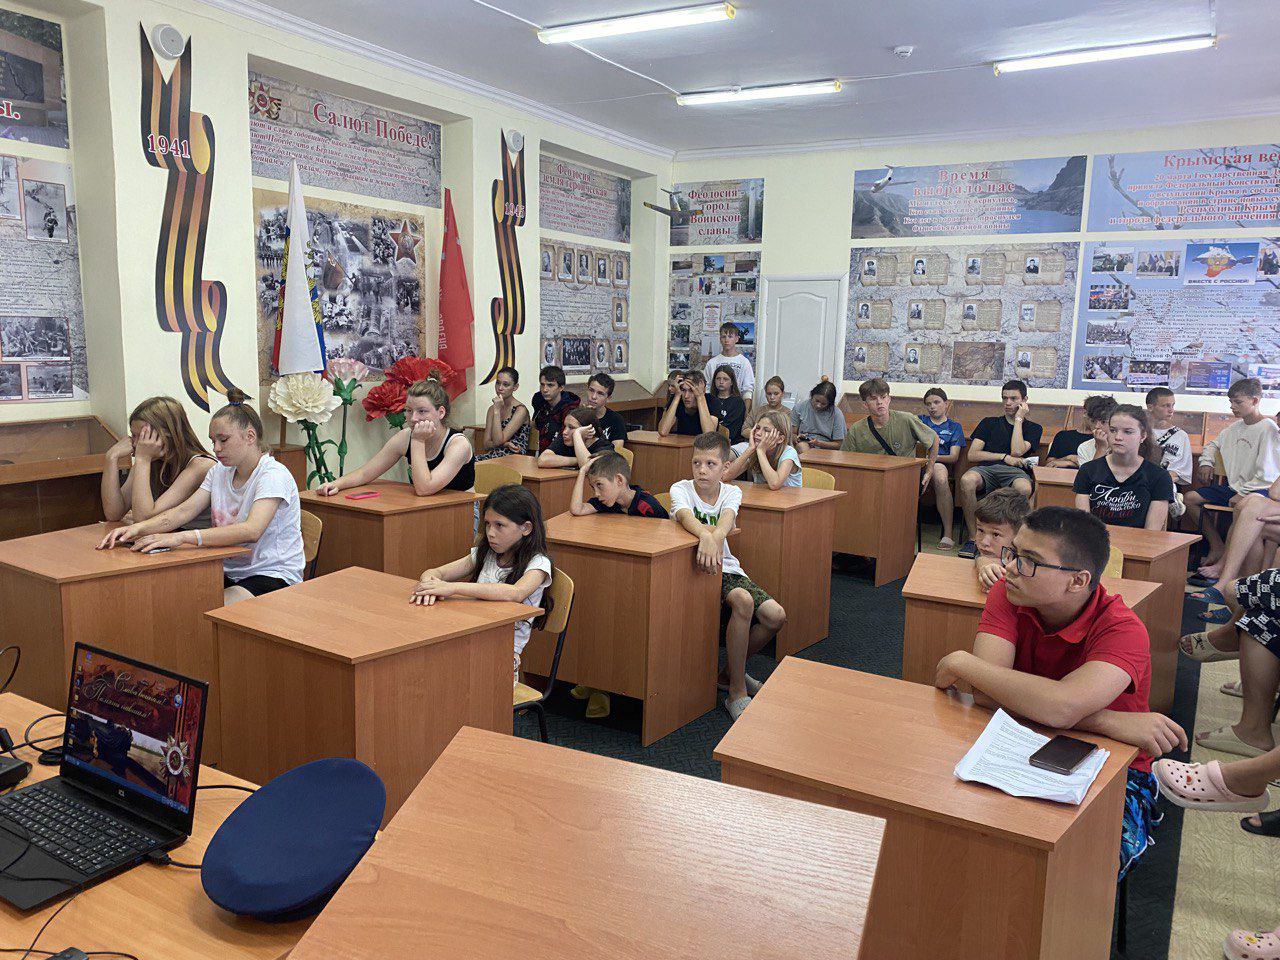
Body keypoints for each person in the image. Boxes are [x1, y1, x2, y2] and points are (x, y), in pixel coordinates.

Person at [933, 506, 1188, 878]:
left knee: (1075, 871)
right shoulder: (1010, 592)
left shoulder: (1123, 628)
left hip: (1111, 766)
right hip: (1020, 739)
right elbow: (986, 693)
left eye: (1029, 561)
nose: (1011, 567)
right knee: (953, 830)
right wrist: (1110, 722)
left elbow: (1059, 708)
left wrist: (961, 662)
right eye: (1012, 553)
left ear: (1077, 581)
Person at [98, 390, 305, 604]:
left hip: (272, 575)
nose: (216, 448)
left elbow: (252, 530)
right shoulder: (219, 472)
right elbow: (182, 512)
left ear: (250, 436)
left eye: (223, 440)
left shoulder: (273, 474)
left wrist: (181, 537)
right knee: (168, 600)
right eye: (213, 441)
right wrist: (137, 529)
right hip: (226, 570)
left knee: (203, 610)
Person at [670, 433, 786, 721]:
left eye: (710, 464)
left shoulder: (731, 492)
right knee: (744, 601)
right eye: (697, 463)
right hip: (688, 570)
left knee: (775, 616)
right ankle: (736, 691)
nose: (702, 470)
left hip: (726, 568)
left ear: (725, 468)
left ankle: (729, 672)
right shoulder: (680, 488)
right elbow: (684, 516)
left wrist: (713, 537)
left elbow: (727, 519)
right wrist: (705, 535)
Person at [411, 484, 551, 685]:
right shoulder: (485, 554)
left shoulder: (538, 563)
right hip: (471, 635)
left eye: (499, 525)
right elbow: (436, 572)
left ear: (526, 528)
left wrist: (453, 587)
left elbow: (516, 593)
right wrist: (428, 585)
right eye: (487, 524)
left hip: (501, 654)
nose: (490, 533)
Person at [1187, 379, 1280, 601]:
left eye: (1238, 402)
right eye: (1231, 402)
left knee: (1246, 507)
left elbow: (1268, 478)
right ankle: (1219, 551)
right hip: (1237, 487)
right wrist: (1206, 462)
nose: (1232, 407)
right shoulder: (1234, 428)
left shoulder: (1268, 429)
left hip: (1258, 488)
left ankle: (1229, 578)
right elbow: (1213, 445)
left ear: (1255, 401)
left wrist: (1245, 492)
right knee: (1190, 498)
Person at [316, 376, 475, 496]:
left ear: (440, 412)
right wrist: (336, 484)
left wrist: (418, 440)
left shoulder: (458, 444)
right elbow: (366, 473)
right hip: (425, 509)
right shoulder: (405, 437)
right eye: (409, 411)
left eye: (422, 411)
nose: (413, 418)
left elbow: (424, 488)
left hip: (462, 512)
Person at [957, 380, 1043, 558]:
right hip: (987, 469)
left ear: (1024, 400)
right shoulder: (989, 423)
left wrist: (1018, 419)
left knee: (1024, 488)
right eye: (1005, 398)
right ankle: (974, 538)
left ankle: (1013, 541)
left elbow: (1017, 450)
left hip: (1016, 472)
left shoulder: (1034, 428)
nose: (1008, 403)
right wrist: (1003, 457)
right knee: (967, 480)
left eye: (1014, 398)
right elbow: (972, 455)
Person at [101, 396, 215, 526]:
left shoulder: (201, 466)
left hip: (195, 537)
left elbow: (143, 519)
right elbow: (113, 514)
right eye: (133, 435)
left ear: (167, 434)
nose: (135, 443)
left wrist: (143, 460)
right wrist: (111, 457)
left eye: (142, 436)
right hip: (168, 536)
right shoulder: (149, 460)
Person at [1073, 405, 1173, 530]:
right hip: (1095, 541)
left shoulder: (1159, 477)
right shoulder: (1088, 470)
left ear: (1142, 436)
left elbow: (1151, 533)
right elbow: (1084, 527)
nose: (1118, 437)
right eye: (1113, 430)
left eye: (1128, 432)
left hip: (1139, 541)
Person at [841, 380, 938, 498]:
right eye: (873, 399)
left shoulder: (906, 419)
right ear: (865, 404)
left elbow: (934, 439)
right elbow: (844, 459)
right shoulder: (856, 429)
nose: (879, 402)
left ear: (889, 399)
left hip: (904, 479)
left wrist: (929, 471)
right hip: (870, 481)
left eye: (883, 397)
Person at [920, 387, 965, 547]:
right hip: (916, 463)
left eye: (936, 402)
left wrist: (931, 458)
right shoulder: (920, 421)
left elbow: (953, 457)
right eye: (928, 404)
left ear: (946, 404)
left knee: (940, 477)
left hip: (939, 463)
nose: (932, 407)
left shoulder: (954, 427)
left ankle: (947, 534)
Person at [570, 450, 668, 518]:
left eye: (599, 485)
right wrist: (582, 472)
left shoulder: (648, 505)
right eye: (593, 487)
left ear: (619, 480)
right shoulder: (605, 502)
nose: (596, 494)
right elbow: (576, 510)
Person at [972, 488, 1031, 592]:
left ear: (1018, 536)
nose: (984, 542)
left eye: (995, 534)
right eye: (980, 530)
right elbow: (979, 555)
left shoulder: (1029, 562)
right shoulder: (989, 550)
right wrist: (985, 565)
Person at [725, 410, 802, 489]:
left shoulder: (789, 453)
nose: (758, 433)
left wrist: (761, 451)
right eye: (757, 428)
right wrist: (750, 449)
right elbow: (726, 476)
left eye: (766, 430)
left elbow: (774, 484)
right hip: (762, 496)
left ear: (780, 439)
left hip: (788, 496)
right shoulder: (755, 450)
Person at [475, 365, 530, 461]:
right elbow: (486, 444)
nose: (500, 388)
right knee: (466, 463)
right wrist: (505, 444)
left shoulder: (520, 410)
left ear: (515, 387)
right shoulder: (492, 409)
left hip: (514, 458)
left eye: (506, 384)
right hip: (494, 456)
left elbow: (497, 441)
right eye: (498, 383)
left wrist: (497, 411)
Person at [1145, 387, 1193, 489]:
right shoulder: (1139, 432)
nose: (1171, 410)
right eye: (1165, 406)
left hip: (1167, 484)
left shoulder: (1181, 435)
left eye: (1172, 405)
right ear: (1150, 407)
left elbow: (1182, 472)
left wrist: (1162, 479)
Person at [538, 406, 613, 469]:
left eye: (571, 428)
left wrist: (577, 434)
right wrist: (577, 460)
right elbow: (542, 460)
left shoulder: (604, 447)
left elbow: (587, 468)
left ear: (588, 430)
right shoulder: (566, 438)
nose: (564, 432)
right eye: (565, 426)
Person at [531, 365, 581, 453]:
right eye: (542, 385)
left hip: (563, 454)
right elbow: (536, 425)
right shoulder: (539, 401)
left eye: (550, 385)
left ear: (561, 387)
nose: (545, 389)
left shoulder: (570, 408)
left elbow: (566, 438)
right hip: (542, 452)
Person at [701, 322, 755, 397]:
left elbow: (748, 390)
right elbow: (706, 388)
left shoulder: (744, 362)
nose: (726, 340)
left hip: (736, 402)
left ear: (737, 339)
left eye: (730, 336)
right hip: (716, 402)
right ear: (720, 339)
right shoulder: (712, 363)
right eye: (723, 337)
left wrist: (746, 404)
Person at [791, 380, 846, 453]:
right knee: (802, 446)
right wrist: (797, 438)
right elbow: (792, 434)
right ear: (812, 395)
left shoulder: (837, 414)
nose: (818, 405)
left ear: (830, 404)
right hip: (803, 445)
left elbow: (839, 444)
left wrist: (819, 443)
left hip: (826, 449)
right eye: (817, 401)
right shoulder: (799, 407)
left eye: (823, 404)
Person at [658, 370, 716, 437]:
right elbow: (663, 431)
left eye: (691, 390)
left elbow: (709, 435)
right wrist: (677, 396)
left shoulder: (711, 401)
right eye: (683, 390)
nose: (686, 396)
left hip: (703, 443)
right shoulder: (677, 399)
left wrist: (700, 397)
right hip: (681, 442)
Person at [1070, 394, 1119, 466]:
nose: (1097, 426)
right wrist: (1101, 449)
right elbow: (1090, 473)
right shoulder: (1084, 447)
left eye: (1103, 422)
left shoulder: (1124, 444)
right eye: (1093, 421)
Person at [581, 373, 628, 447]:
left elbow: (617, 451)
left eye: (600, 393)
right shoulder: (577, 416)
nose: (593, 396)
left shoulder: (616, 420)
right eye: (591, 390)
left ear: (608, 398)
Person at [707, 364, 746, 441]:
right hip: (709, 439)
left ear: (732, 382)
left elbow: (731, 429)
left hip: (731, 442)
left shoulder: (737, 402)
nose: (721, 382)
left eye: (725, 379)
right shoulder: (709, 399)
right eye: (718, 379)